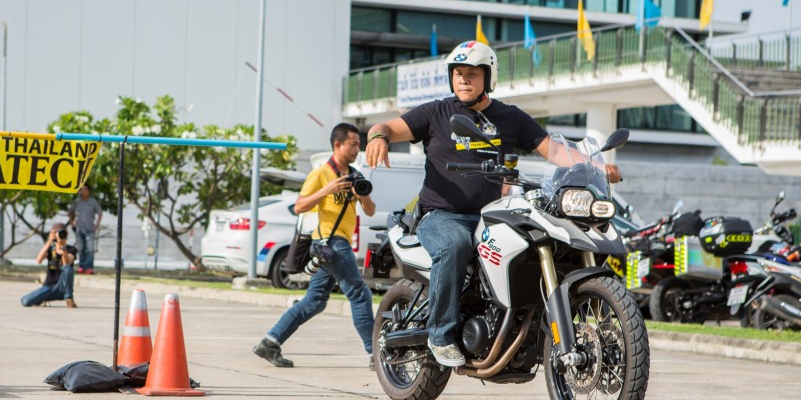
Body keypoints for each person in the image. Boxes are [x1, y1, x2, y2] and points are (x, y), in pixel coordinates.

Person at [364, 40, 622, 368]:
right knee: (454, 245)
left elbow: (554, 151)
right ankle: (440, 334)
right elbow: (386, 126)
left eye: (471, 74)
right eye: (457, 74)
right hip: (442, 215)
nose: (463, 80)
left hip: (491, 214)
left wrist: (596, 166)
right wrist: (377, 137)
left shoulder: (510, 118)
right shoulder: (437, 112)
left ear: (489, 76)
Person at [253, 123, 377, 368]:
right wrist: (327, 190)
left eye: (358, 145)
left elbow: (371, 211)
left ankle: (270, 342)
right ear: (337, 145)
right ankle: (377, 354)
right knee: (360, 294)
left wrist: (361, 193)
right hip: (330, 242)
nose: (357, 150)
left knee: (315, 301)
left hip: (333, 245)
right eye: (353, 144)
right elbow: (299, 206)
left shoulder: (354, 175)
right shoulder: (321, 174)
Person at [21, 222, 78, 308]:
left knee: (67, 269)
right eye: (57, 233)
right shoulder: (50, 249)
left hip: (62, 286)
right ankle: (44, 298)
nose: (60, 235)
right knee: (25, 301)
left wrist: (63, 249)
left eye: (62, 233)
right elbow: (38, 260)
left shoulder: (71, 249)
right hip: (49, 287)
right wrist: (50, 241)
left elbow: (67, 264)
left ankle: (69, 298)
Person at [68, 184, 103, 274]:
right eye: (81, 189)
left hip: (90, 229)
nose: (83, 191)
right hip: (79, 228)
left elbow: (100, 213)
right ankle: (81, 266)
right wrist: (72, 222)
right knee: (81, 248)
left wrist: (97, 225)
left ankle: (89, 267)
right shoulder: (77, 202)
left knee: (90, 249)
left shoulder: (93, 202)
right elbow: (71, 211)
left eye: (85, 189)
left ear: (89, 191)